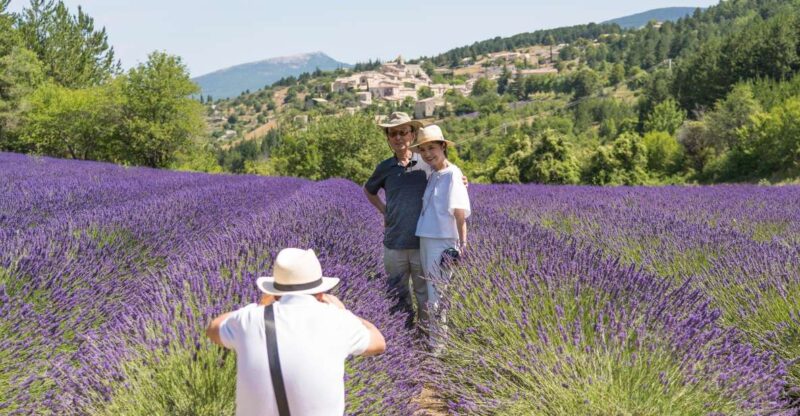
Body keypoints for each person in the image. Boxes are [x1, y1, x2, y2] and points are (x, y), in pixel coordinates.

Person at [206, 248, 386, 416]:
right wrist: (345, 312)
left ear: (275, 293)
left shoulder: (250, 319)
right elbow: (378, 343)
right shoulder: (339, 320)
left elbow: (214, 328)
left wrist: (259, 306)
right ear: (321, 292)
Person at [363, 112, 430, 330]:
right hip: (394, 243)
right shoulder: (385, 167)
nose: (398, 138)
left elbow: (448, 175)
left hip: (423, 243)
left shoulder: (426, 162)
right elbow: (369, 190)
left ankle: (427, 337)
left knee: (425, 294)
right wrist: (384, 211)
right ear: (388, 138)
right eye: (393, 134)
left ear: (412, 134)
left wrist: (462, 180)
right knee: (398, 293)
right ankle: (405, 338)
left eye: (403, 132)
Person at [410, 125, 471, 349]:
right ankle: (436, 342)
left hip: (442, 241)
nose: (427, 154)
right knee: (432, 294)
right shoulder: (434, 173)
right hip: (427, 238)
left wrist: (462, 244)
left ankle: (439, 348)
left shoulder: (453, 174)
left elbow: (459, 212)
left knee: (438, 296)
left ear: (443, 147)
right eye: (423, 149)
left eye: (432, 148)